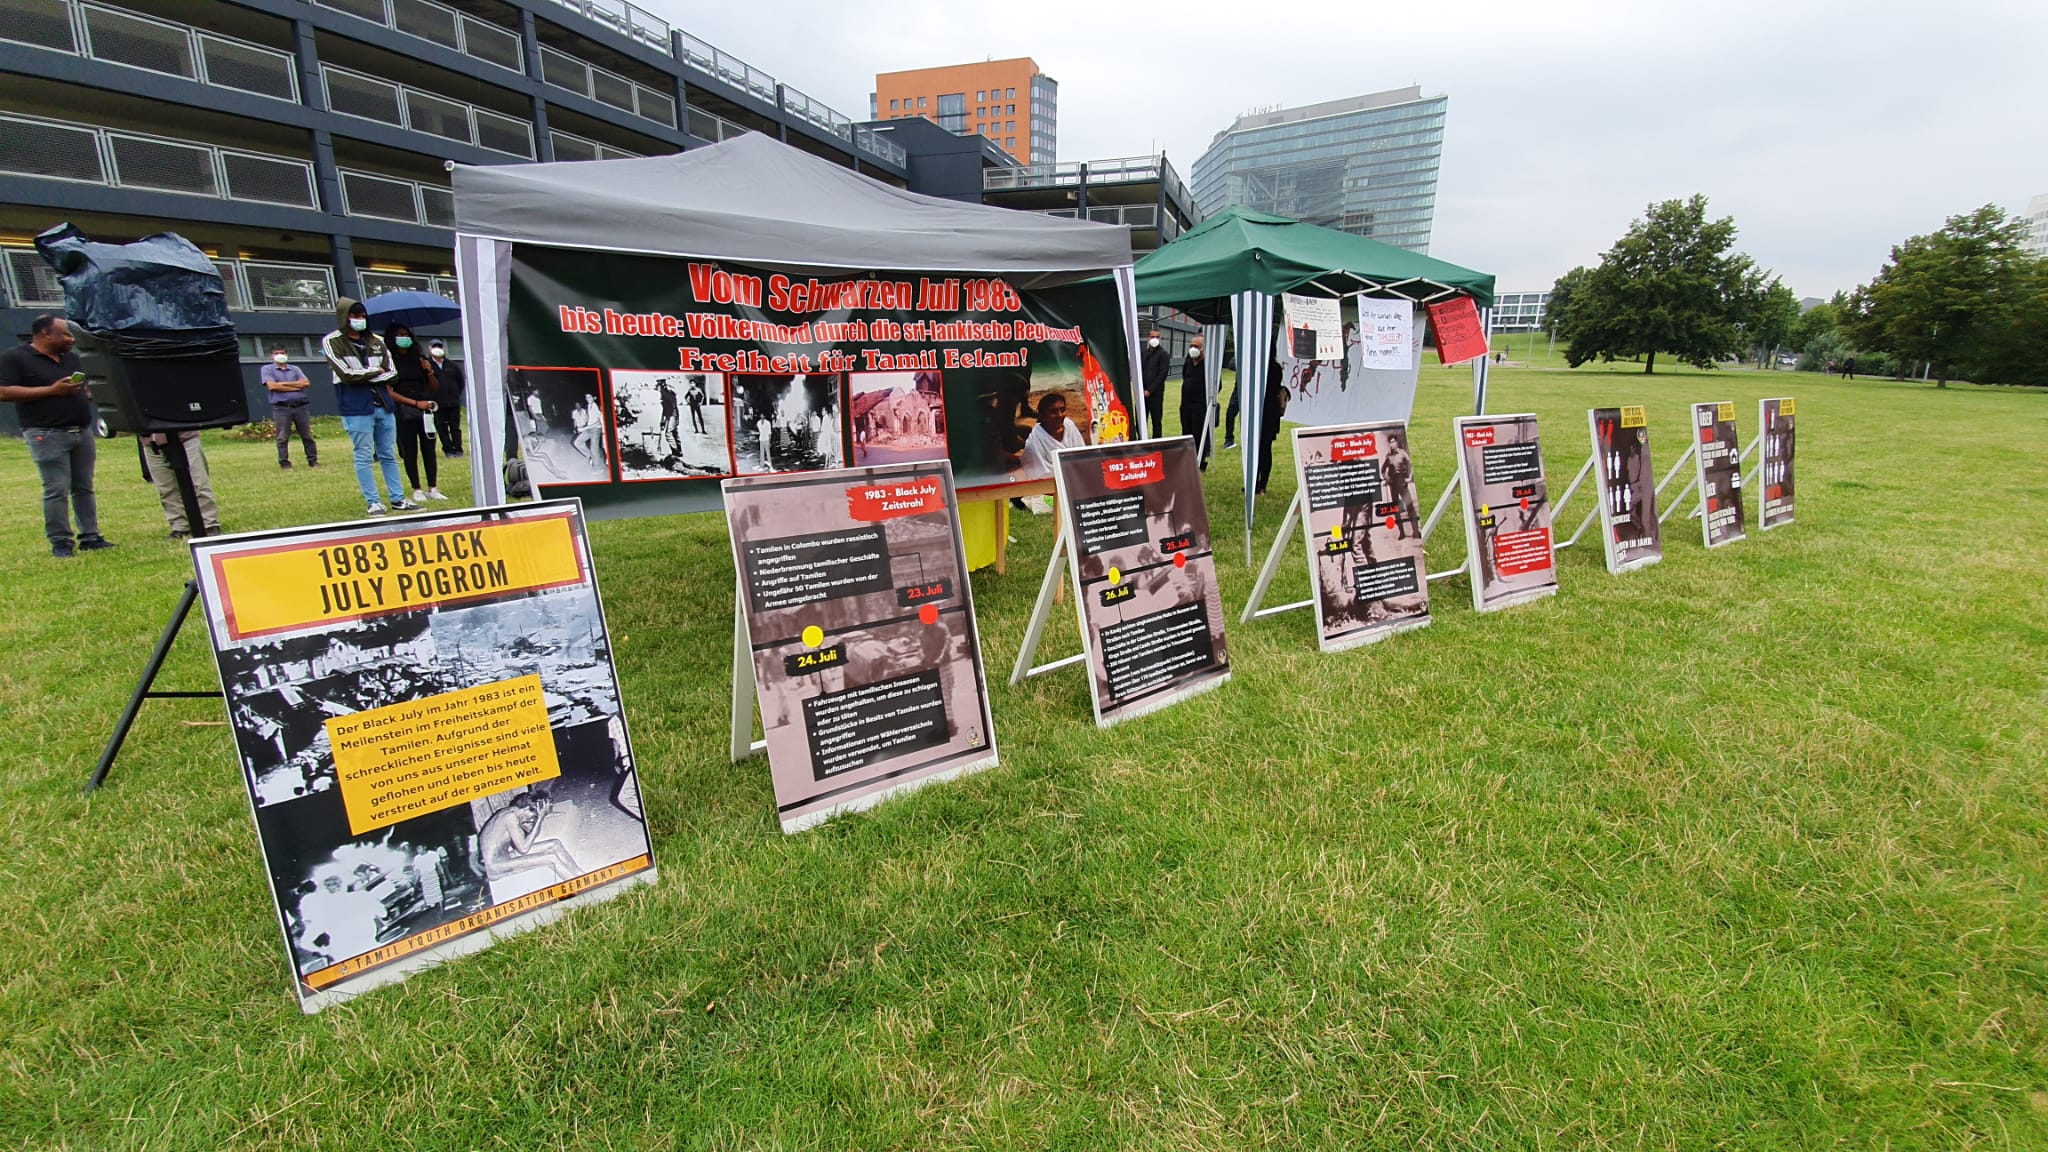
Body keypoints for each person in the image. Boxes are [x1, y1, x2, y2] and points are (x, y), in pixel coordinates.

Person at [0, 315, 113, 558]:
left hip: (81, 431)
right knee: (56, 489)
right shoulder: (15, 358)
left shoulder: (71, 358)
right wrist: (52, 390)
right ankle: (61, 542)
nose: (71, 340)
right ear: (46, 334)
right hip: (46, 433)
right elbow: (4, 391)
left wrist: (87, 393)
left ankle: (90, 536)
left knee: (84, 487)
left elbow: (84, 388)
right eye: (66, 335)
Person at [322, 298, 413, 516]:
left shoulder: (377, 341)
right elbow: (346, 375)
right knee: (363, 455)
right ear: (345, 317)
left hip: (383, 405)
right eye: (355, 316)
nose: (359, 320)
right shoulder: (332, 341)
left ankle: (398, 498)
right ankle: (373, 501)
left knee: (388, 454)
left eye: (362, 316)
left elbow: (393, 373)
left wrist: (367, 376)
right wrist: (374, 372)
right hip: (356, 407)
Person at [382, 323, 445, 502]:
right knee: (410, 450)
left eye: (406, 334)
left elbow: (434, 387)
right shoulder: (390, 361)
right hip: (405, 409)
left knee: (429, 448)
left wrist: (429, 371)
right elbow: (389, 392)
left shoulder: (419, 358)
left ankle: (433, 487)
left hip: (426, 408)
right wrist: (415, 404)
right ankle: (416, 488)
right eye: (400, 335)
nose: (404, 338)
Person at [478, 790, 581, 887]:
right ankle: (579, 885)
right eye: (533, 816)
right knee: (551, 858)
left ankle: (580, 874)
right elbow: (523, 849)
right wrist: (540, 817)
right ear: (527, 808)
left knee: (554, 843)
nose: (532, 819)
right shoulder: (510, 818)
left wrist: (539, 817)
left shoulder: (516, 812)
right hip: (494, 868)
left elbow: (533, 835)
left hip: (505, 857)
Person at [140, 431, 220, 537]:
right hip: (151, 442)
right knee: (166, 488)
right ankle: (180, 526)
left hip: (185, 437)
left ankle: (209, 524)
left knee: (198, 484)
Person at [262, 344, 317, 469]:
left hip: (300, 407)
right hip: (281, 408)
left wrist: (282, 384)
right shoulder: (267, 369)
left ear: (286, 354)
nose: (279, 355)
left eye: (282, 353)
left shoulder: (295, 369)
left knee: (307, 436)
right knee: (282, 437)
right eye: (276, 353)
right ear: (271, 355)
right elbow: (272, 386)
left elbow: (306, 383)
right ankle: (284, 463)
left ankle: (313, 460)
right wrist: (296, 386)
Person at [1019, 391, 1084, 479]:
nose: (1060, 415)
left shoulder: (1069, 425)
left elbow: (1081, 454)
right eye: (1053, 412)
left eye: (1062, 410)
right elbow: (1038, 473)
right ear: (1042, 416)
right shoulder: (1034, 441)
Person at [1254, 352, 1289, 495]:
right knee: (1262, 449)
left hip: (1267, 413)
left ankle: (1261, 483)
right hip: (1267, 412)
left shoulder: (1271, 368)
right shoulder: (1274, 367)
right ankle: (1257, 482)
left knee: (1264, 449)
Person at [1177, 334, 1211, 467]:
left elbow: (1216, 386)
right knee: (1186, 431)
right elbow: (1185, 376)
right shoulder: (1188, 362)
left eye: (1196, 346)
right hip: (1186, 404)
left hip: (1199, 406)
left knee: (1198, 434)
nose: (1193, 348)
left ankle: (1200, 460)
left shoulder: (1208, 365)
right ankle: (1187, 459)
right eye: (1191, 346)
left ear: (1202, 348)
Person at [428, 339, 464, 456]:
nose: (437, 349)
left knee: (455, 427)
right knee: (441, 427)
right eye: (434, 347)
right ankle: (448, 449)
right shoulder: (428, 365)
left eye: (439, 346)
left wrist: (455, 394)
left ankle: (458, 449)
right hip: (438, 403)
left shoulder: (452, 365)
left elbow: (460, 382)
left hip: (453, 402)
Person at [1140, 328, 1169, 439]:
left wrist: (1150, 390)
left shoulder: (1163, 354)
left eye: (1157, 337)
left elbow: (1162, 375)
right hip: (1142, 394)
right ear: (1148, 338)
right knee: (1140, 421)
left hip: (1156, 394)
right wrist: (1141, 389)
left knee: (1156, 421)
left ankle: (1156, 442)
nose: (1154, 339)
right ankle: (1141, 441)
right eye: (1152, 337)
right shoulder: (1143, 354)